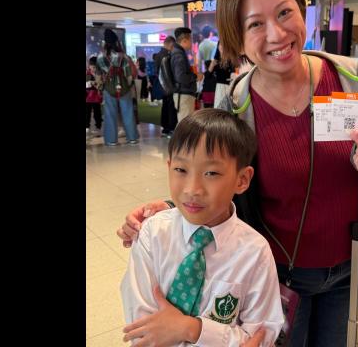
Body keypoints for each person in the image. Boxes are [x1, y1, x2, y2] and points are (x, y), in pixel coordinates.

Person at [117, 0, 358, 347]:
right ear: (237, 37)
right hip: (272, 274)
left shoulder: (351, 80)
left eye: (285, 12)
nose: (277, 34)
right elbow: (219, 177)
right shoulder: (236, 107)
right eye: (255, 24)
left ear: (301, 8)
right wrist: (170, 207)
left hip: (349, 266)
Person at [120, 108, 284, 346]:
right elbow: (142, 330)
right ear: (169, 167)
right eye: (181, 170)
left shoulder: (254, 252)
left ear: (242, 179)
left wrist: (193, 330)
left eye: (211, 173)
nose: (192, 189)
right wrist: (227, 339)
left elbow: (261, 334)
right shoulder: (152, 234)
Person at [96, 28, 139, 146]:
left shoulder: (100, 57)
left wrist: (100, 88)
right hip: (123, 87)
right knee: (128, 112)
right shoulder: (123, 56)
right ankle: (132, 138)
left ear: (105, 42)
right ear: (116, 42)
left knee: (110, 114)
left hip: (108, 88)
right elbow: (129, 75)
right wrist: (128, 85)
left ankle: (111, 140)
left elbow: (98, 75)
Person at [171, 27, 204, 123]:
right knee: (185, 124)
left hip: (184, 94)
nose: (192, 43)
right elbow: (180, 76)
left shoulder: (178, 52)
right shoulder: (178, 54)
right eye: (191, 40)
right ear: (184, 40)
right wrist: (195, 77)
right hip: (184, 95)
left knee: (185, 123)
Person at [158, 36, 179, 137]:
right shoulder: (166, 56)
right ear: (171, 44)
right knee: (170, 108)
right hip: (168, 86)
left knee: (166, 107)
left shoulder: (159, 54)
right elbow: (167, 74)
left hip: (163, 86)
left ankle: (166, 128)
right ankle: (170, 128)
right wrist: (172, 88)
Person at [86, 56, 102, 136]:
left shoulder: (99, 74)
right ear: (89, 66)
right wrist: (89, 83)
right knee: (87, 112)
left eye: (95, 67)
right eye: (92, 67)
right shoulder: (87, 73)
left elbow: (100, 85)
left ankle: (98, 127)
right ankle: (87, 127)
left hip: (96, 97)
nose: (94, 69)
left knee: (97, 112)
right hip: (87, 96)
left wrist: (95, 83)